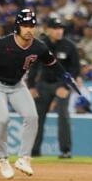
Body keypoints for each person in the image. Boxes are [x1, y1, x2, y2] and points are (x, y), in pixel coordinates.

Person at [0, 8, 52, 179]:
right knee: (2, 119)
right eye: (25, 25)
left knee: (32, 117)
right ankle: (2, 159)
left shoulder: (38, 46)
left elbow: (51, 62)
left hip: (17, 85)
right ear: (17, 26)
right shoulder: (2, 43)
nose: (29, 29)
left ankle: (24, 159)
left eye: (31, 25)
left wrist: (64, 74)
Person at [30, 16, 83, 160]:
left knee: (63, 116)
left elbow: (75, 68)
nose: (59, 31)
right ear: (48, 30)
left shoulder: (69, 46)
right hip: (43, 84)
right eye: (55, 28)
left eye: (61, 28)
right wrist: (31, 86)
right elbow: (33, 65)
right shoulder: (41, 45)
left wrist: (66, 86)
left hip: (61, 85)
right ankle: (34, 150)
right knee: (36, 117)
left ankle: (65, 150)